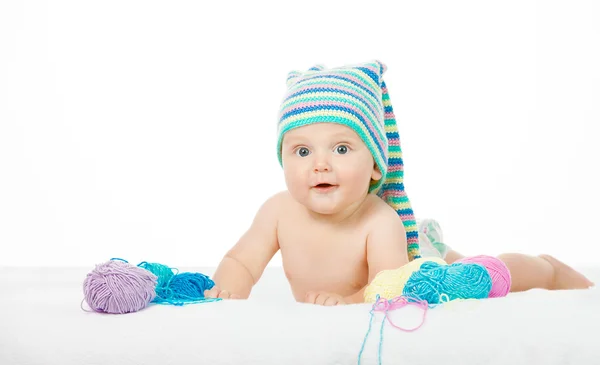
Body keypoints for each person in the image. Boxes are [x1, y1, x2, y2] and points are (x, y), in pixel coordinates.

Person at [206, 60, 594, 305]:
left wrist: (349, 303)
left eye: (341, 149)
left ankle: (548, 269)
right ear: (282, 159)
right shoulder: (278, 211)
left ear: (376, 165)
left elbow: (387, 287)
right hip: (397, 269)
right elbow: (242, 259)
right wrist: (227, 287)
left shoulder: (379, 220)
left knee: (480, 275)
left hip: (416, 267)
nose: (320, 165)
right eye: (302, 152)